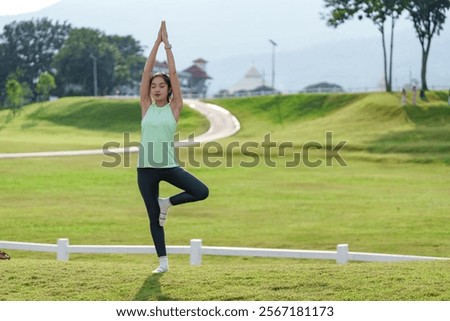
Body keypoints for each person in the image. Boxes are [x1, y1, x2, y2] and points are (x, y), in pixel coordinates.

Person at [137, 21, 209, 273]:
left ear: (168, 90)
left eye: (161, 86)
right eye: (153, 86)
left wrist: (167, 46)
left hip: (168, 166)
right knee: (152, 217)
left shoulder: (174, 109)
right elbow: (146, 74)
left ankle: (167, 203)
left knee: (201, 191)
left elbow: (175, 74)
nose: (155, 88)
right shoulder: (145, 106)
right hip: (145, 169)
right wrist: (155, 43)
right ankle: (163, 263)